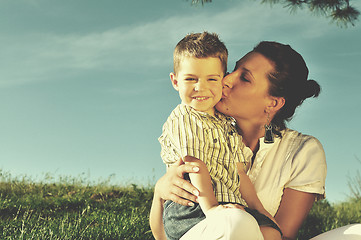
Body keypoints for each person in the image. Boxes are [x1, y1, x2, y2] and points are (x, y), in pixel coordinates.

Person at [150, 40, 327, 240]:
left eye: (244, 78)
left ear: (273, 102)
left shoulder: (303, 151)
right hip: (207, 226)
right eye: (234, 69)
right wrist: (159, 193)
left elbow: (282, 235)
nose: (226, 79)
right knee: (236, 222)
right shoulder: (197, 128)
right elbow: (164, 235)